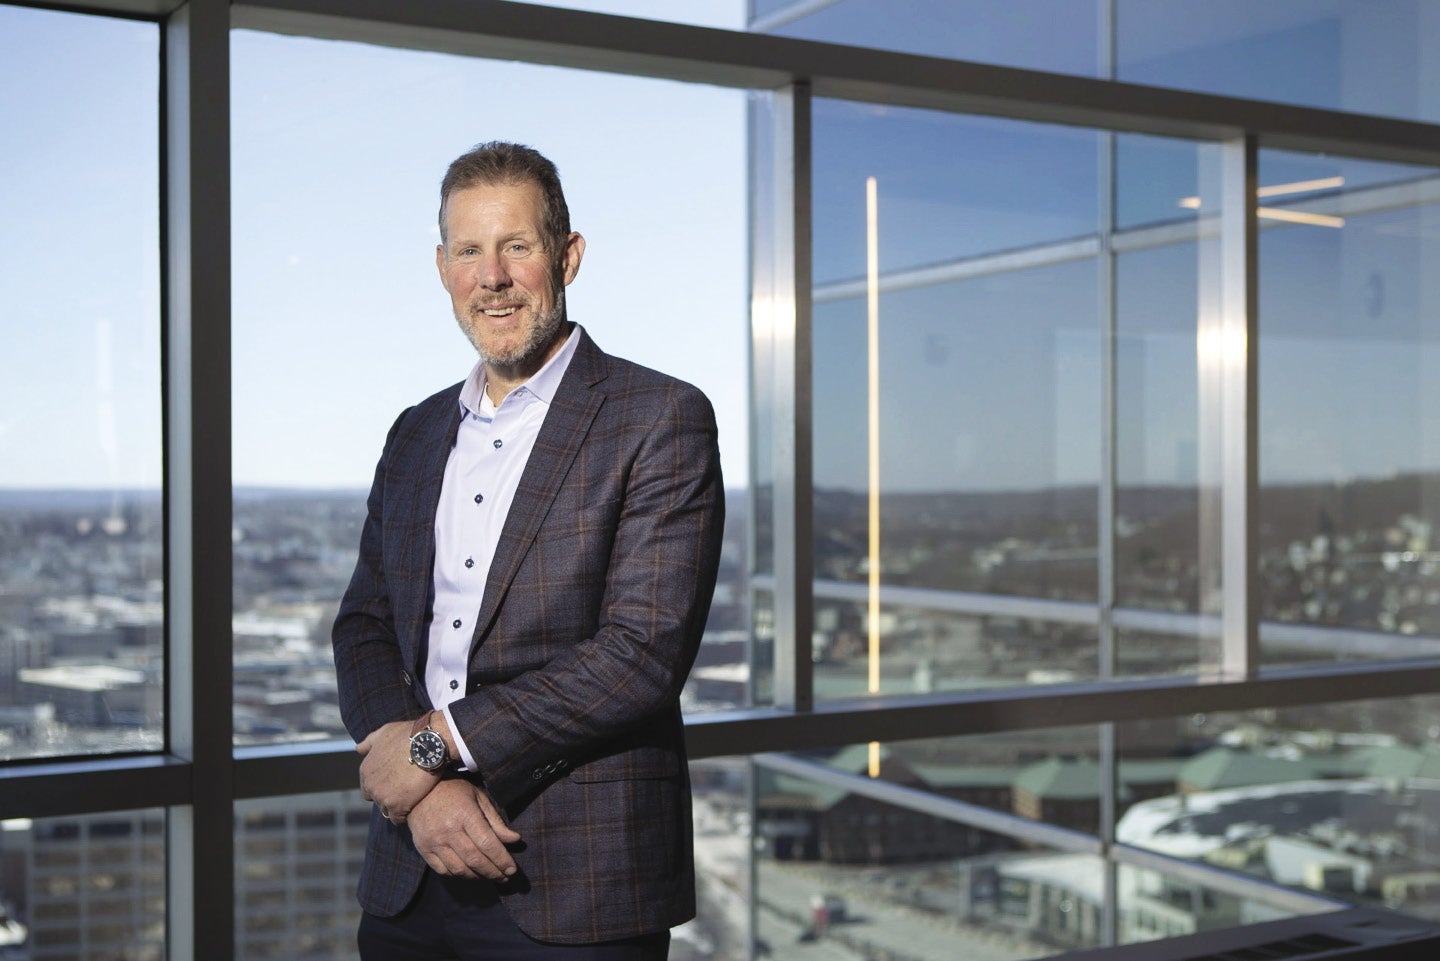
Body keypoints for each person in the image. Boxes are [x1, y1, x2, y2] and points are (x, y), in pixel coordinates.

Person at [333, 140, 726, 960]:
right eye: (470, 251)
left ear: (567, 255)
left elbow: (639, 654)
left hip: (575, 883)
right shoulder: (414, 431)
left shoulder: (658, 418)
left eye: (517, 246)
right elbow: (363, 625)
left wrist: (432, 748)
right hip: (411, 872)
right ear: (443, 268)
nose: (494, 276)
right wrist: (421, 793)